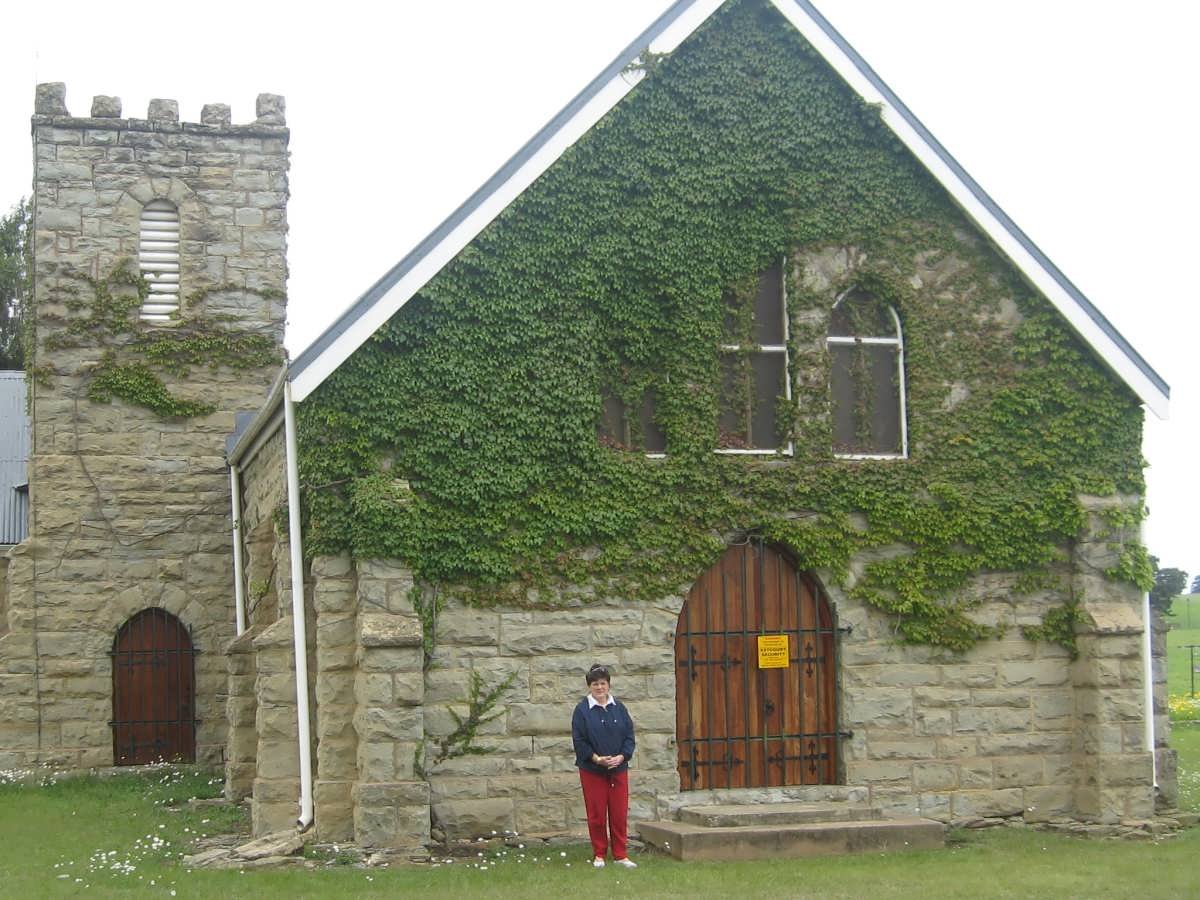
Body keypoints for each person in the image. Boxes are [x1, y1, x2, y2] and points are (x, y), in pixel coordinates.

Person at [572, 663, 637, 869]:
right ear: (589, 686)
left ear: (608, 684)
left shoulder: (619, 707)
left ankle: (620, 855)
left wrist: (622, 756)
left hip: (618, 769)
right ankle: (599, 854)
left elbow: (629, 736)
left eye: (603, 683)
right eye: (595, 684)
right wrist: (596, 759)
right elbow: (579, 740)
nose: (599, 688)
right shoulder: (582, 710)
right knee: (597, 814)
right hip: (593, 770)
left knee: (619, 813)